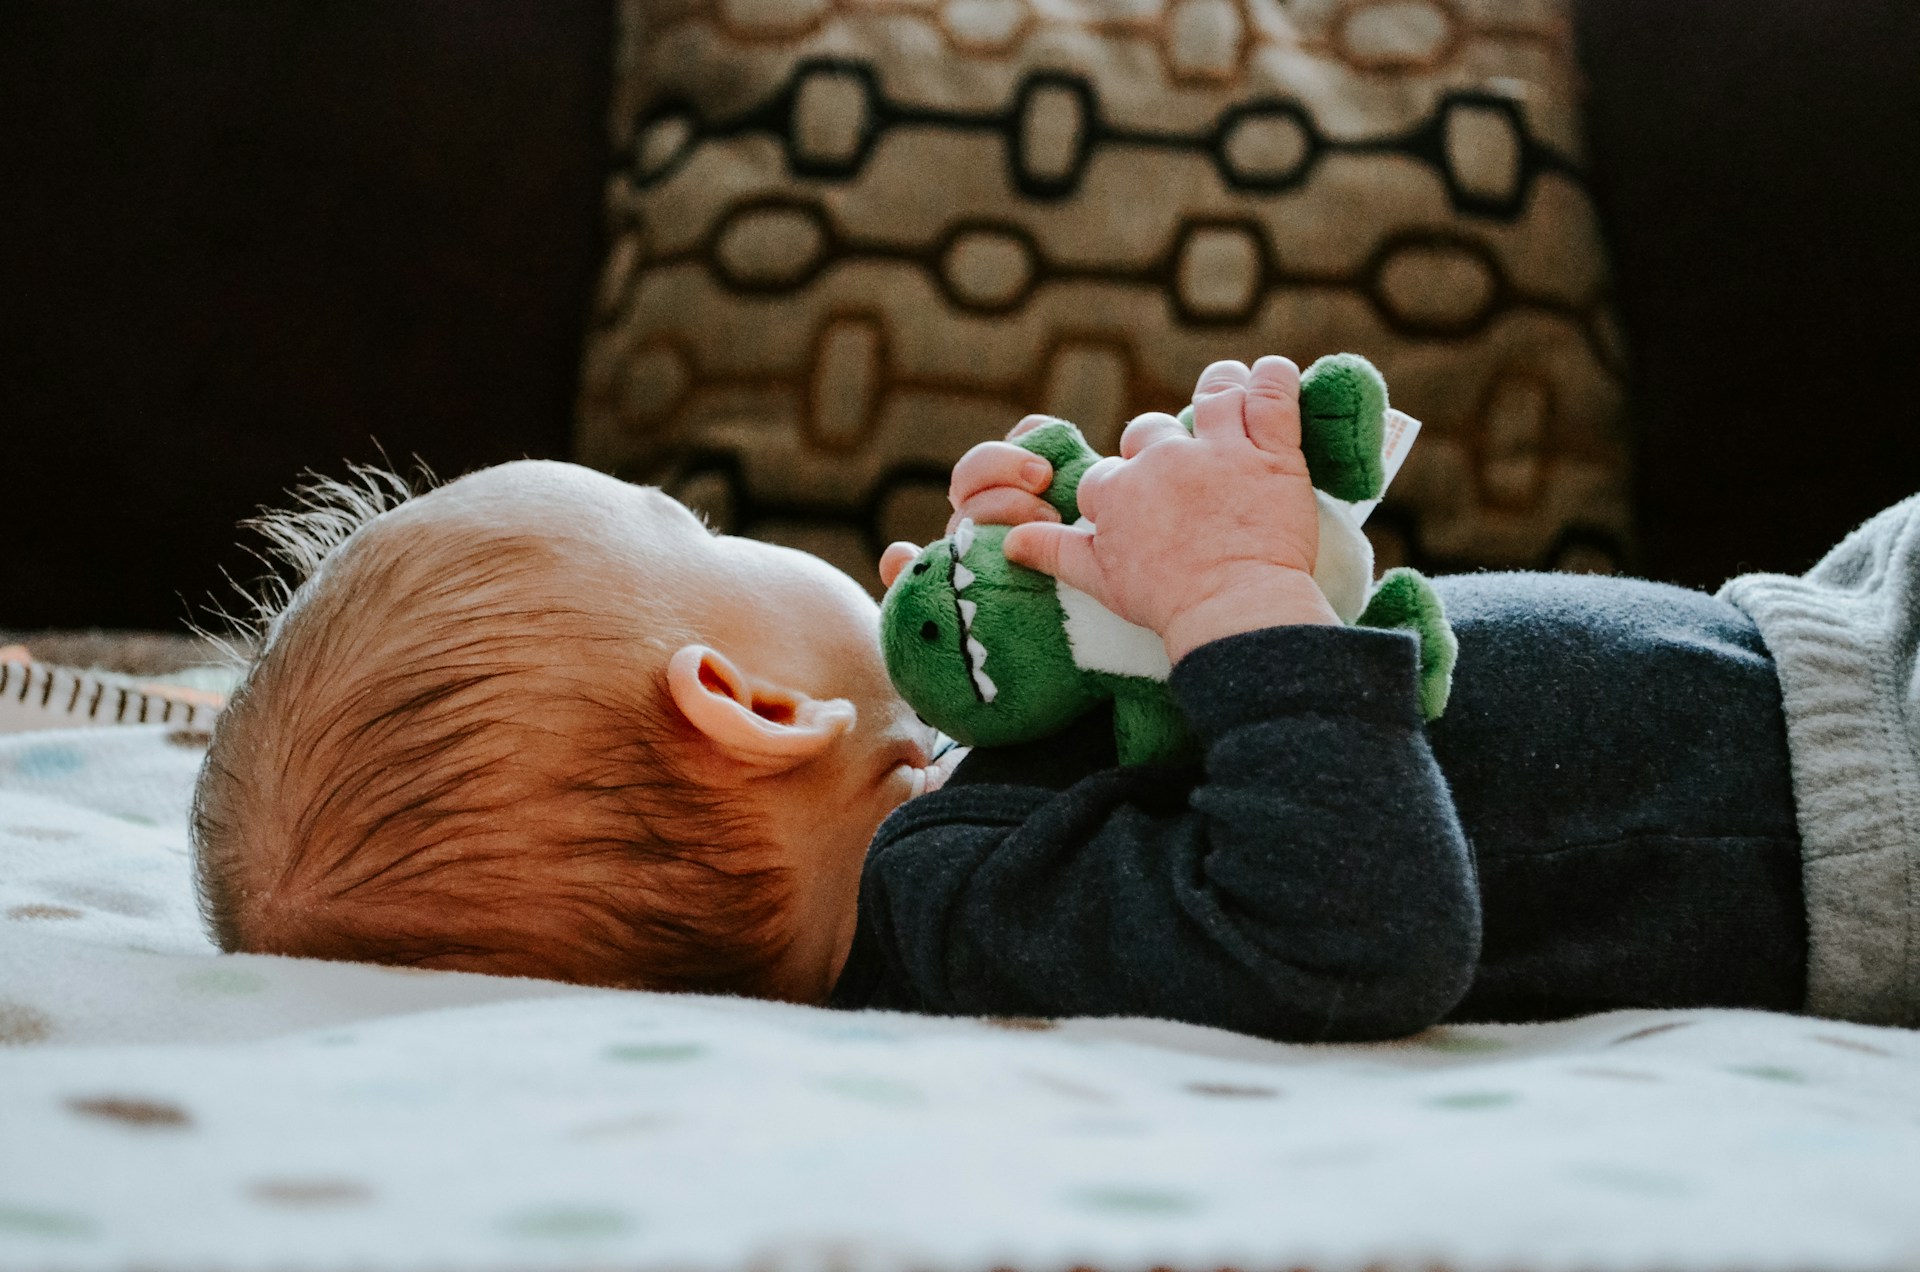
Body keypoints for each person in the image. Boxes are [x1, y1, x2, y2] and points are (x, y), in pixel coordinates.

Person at [191, 357, 1920, 1040]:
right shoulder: (969, 922)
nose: (744, 530)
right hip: (1865, 797)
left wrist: (1099, 593)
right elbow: (1354, 925)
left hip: (1813, 645)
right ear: (738, 703)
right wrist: (1240, 601)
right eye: (689, 528)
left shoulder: (954, 822)